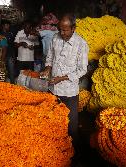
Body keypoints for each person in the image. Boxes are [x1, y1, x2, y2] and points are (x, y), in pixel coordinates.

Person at [40, 13, 89, 164]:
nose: (62, 33)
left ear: (73, 28)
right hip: (53, 90)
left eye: (66, 30)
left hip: (69, 92)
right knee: (53, 120)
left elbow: (82, 70)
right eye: (60, 29)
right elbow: (50, 57)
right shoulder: (55, 38)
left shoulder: (81, 44)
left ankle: (76, 155)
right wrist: (47, 69)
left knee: (71, 126)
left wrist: (61, 78)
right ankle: (57, 151)